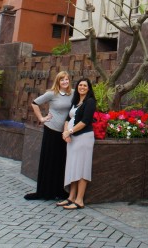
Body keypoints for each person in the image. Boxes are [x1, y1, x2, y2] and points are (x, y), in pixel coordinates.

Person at [24, 71, 73, 200]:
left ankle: (59, 190)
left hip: (64, 133)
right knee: (49, 160)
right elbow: (34, 103)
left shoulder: (72, 93)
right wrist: (41, 118)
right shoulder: (52, 94)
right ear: (58, 82)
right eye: (62, 80)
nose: (64, 82)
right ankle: (44, 191)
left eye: (66, 79)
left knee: (60, 161)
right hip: (51, 130)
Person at [58, 77, 96, 210]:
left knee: (82, 168)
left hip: (84, 138)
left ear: (89, 88)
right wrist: (65, 132)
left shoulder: (90, 102)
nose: (82, 87)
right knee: (74, 167)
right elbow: (68, 118)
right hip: (72, 139)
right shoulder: (75, 101)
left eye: (85, 86)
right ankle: (71, 197)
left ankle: (79, 200)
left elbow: (85, 121)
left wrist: (70, 131)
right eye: (80, 85)